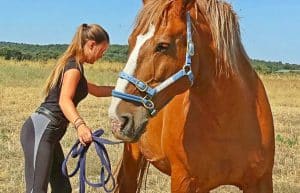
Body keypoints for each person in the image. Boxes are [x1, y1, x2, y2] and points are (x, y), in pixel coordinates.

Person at [20, 23, 114, 193]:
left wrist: (125, 92)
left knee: (62, 189)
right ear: (91, 44)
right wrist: (80, 125)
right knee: (36, 190)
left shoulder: (76, 67)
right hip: (40, 130)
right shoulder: (74, 68)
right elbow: (65, 100)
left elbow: (98, 91)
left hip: (50, 134)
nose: (102, 55)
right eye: (102, 50)